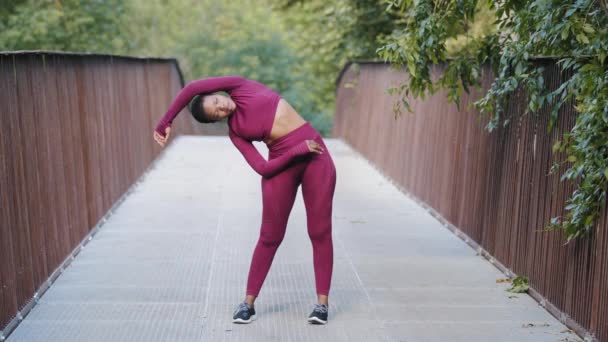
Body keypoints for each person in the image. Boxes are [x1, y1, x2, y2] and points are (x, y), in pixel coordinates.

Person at [153, 76, 337, 325]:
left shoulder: (241, 86)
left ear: (219, 92)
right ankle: (247, 304)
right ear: (217, 120)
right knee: (270, 236)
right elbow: (262, 167)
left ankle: (321, 305)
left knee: (319, 231)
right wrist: (296, 151)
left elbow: (192, 88)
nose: (222, 107)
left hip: (316, 156)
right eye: (217, 112)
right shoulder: (236, 132)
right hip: (284, 161)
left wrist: (166, 120)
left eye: (218, 100)